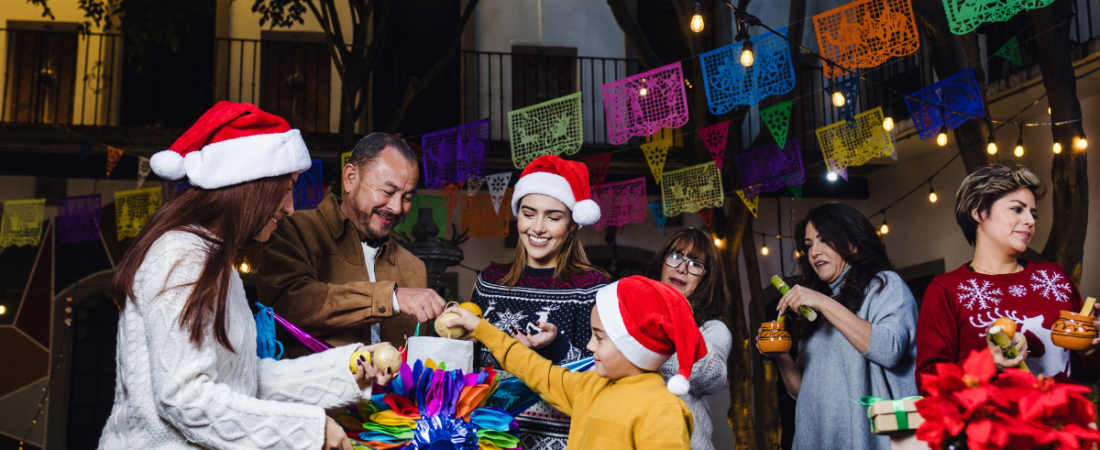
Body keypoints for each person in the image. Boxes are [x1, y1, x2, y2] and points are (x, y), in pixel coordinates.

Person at [99, 102, 393, 450]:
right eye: (286, 189)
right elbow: (186, 399)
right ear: (249, 186)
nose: (290, 207)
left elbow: (245, 380)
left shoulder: (216, 265)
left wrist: (350, 367)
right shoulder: (180, 256)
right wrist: (308, 431)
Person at [446, 276, 706, 449]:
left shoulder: (663, 410)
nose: (590, 346)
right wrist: (480, 328)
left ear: (634, 346)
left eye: (599, 337)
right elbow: (532, 368)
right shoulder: (590, 385)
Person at [258, 132, 446, 358]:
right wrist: (391, 298)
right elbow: (286, 306)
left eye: (406, 198)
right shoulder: (293, 230)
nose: (397, 207)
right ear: (350, 178)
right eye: (387, 192)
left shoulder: (413, 266)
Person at [468, 155, 610, 449]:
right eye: (529, 213)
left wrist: (554, 346)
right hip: (488, 437)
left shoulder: (593, 289)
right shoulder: (490, 280)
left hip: (560, 441)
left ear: (572, 224)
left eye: (553, 217)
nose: (538, 227)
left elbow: (600, 379)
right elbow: (469, 368)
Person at [916, 165, 1100, 388]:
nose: (1030, 220)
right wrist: (988, 363)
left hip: (1062, 411)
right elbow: (928, 381)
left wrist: (1089, 349)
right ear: (978, 212)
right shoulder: (946, 290)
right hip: (992, 412)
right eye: (1017, 209)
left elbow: (1087, 374)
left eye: (1033, 213)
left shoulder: (1055, 278)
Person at [758, 202, 918, 450]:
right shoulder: (815, 310)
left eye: (824, 240)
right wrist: (780, 354)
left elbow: (890, 350)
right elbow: (805, 393)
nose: (814, 252)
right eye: (809, 245)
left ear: (854, 243)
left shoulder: (885, 285)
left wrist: (823, 302)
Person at [646, 228, 732, 450]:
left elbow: (711, 378)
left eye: (695, 264)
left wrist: (678, 313)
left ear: (706, 278)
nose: (682, 268)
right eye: (675, 256)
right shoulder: (634, 312)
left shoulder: (713, 329)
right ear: (663, 261)